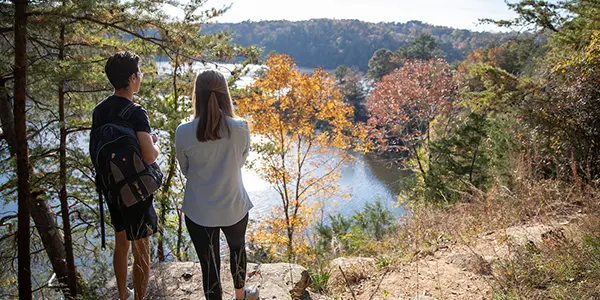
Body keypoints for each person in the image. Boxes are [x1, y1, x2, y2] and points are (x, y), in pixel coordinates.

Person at [175, 70, 258, 300]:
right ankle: (241, 296)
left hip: (199, 210)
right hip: (234, 205)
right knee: (237, 250)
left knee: (208, 266)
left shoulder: (183, 132)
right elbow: (240, 162)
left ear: (196, 96)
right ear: (225, 94)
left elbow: (185, 170)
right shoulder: (241, 127)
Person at [91, 51, 160, 300]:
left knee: (122, 239)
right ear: (132, 78)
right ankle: (139, 298)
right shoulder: (135, 112)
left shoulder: (99, 111)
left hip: (112, 187)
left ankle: (123, 293)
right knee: (142, 246)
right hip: (135, 189)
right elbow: (149, 156)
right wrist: (156, 143)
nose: (140, 78)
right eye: (139, 74)